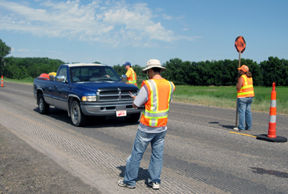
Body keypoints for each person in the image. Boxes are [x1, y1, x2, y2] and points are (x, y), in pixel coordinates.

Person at [118, 59, 175, 190]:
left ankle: (130, 181)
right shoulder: (170, 85)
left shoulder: (148, 85)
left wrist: (137, 99)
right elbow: (164, 102)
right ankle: (155, 181)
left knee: (137, 154)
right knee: (157, 155)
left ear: (150, 70)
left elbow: (136, 104)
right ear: (160, 69)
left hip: (146, 126)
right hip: (161, 126)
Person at [233, 65, 254, 131]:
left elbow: (238, 87)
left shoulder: (242, 77)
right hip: (250, 96)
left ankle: (241, 127)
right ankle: (249, 127)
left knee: (242, 112)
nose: (239, 71)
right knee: (248, 111)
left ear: (243, 71)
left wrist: (237, 85)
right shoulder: (250, 77)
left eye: (240, 70)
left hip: (242, 97)